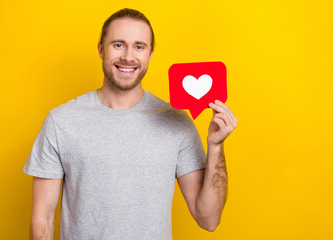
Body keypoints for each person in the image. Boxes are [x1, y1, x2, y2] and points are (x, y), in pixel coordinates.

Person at [23, 8, 238, 240]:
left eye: (139, 46)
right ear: (100, 49)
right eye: (118, 44)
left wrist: (216, 147)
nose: (128, 56)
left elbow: (208, 219)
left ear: (150, 53)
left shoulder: (177, 122)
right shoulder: (61, 121)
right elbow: (42, 218)